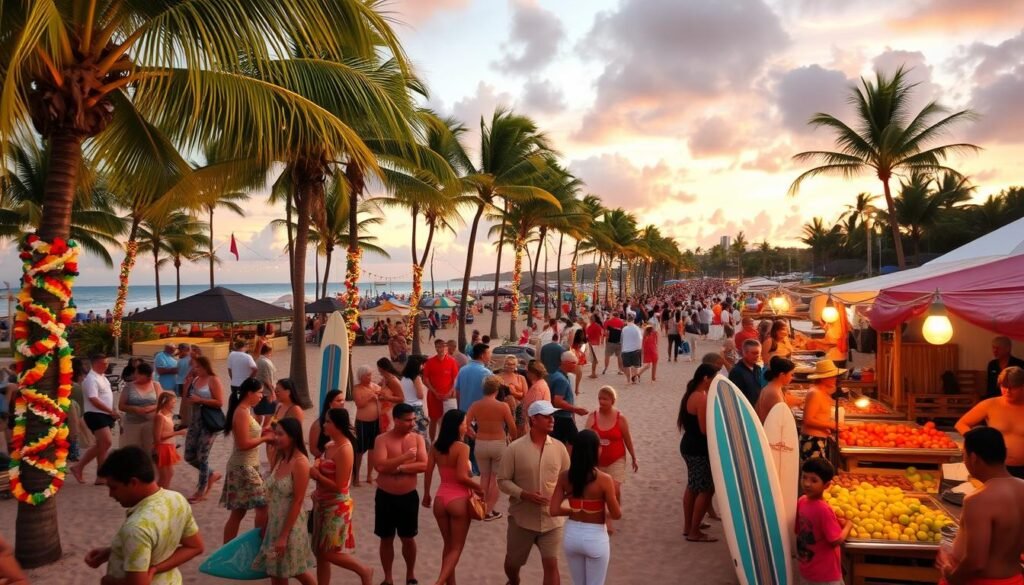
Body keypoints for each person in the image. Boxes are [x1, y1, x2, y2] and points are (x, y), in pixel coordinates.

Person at [84, 447, 204, 585]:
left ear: (133, 482)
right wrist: (114, 551)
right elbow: (195, 547)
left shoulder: (136, 528)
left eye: (113, 487)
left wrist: (108, 581)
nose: (111, 495)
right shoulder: (176, 499)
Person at [938, 427, 1024, 585]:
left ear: (973, 458)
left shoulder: (978, 500)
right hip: (1015, 579)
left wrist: (950, 575)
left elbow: (976, 562)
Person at [498, 400, 571, 585]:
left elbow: (567, 481)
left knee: (551, 565)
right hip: (522, 520)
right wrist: (524, 494)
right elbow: (502, 480)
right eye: (546, 416)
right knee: (513, 564)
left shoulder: (559, 448)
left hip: (552, 521)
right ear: (534, 420)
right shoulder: (514, 449)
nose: (552, 420)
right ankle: (513, 581)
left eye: (552, 416)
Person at [549, 430, 622, 585]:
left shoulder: (565, 476)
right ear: (595, 450)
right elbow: (616, 514)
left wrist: (574, 509)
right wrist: (605, 509)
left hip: (572, 536)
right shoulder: (604, 479)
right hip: (595, 537)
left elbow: (553, 510)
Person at [311, 408, 374, 585]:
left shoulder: (345, 449)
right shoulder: (330, 446)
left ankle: (364, 570)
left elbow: (340, 486)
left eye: (328, 422)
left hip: (336, 507)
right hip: (321, 504)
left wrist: (317, 475)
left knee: (328, 552)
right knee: (320, 552)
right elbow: (321, 464)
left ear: (337, 426)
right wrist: (317, 465)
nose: (324, 424)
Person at [422, 409, 485, 585]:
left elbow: (428, 472)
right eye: (464, 424)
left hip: (441, 498)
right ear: (457, 426)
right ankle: (439, 582)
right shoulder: (462, 448)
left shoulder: (435, 446)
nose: (466, 427)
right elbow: (462, 477)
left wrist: (427, 494)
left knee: (448, 547)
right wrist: (479, 488)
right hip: (459, 499)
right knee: (456, 548)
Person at [252, 418, 315, 584]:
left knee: (297, 570)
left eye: (281, 434)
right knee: (276, 572)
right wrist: (266, 524)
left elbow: (298, 500)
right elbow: (272, 496)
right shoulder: (281, 457)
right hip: (275, 522)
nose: (276, 437)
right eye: (275, 433)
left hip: (290, 525)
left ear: (293, 437)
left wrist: (284, 535)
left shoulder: (300, 463)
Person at [372, 403, 428, 585]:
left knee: (408, 538)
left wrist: (399, 467)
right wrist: (403, 459)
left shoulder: (417, 439)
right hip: (385, 496)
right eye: (407, 420)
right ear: (396, 420)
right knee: (386, 538)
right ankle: (388, 577)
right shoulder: (382, 439)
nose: (412, 423)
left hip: (408, 496)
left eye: (413, 419)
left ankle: (410, 574)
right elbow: (379, 466)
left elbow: (424, 465)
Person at [221, 378, 273, 543]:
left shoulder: (246, 410)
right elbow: (243, 444)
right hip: (243, 467)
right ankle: (258, 544)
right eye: (259, 393)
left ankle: (226, 550)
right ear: (249, 393)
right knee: (263, 506)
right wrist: (265, 438)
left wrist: (263, 432)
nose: (261, 396)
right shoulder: (242, 411)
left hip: (247, 465)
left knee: (238, 512)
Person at [584, 386, 637, 534]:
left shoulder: (620, 418)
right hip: (597, 460)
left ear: (613, 400)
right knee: (601, 490)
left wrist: (633, 457)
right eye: (600, 398)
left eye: (605, 399)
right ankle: (607, 519)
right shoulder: (592, 416)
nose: (601, 401)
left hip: (616, 458)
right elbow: (586, 438)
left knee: (615, 488)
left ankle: (613, 509)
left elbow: (627, 439)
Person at [956, 366, 1024, 479]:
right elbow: (961, 424)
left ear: (1022, 386)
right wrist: (976, 441)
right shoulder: (990, 404)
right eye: (1004, 386)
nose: (1007, 391)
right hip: (996, 468)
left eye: (1012, 387)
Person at [466, 375, 517, 521]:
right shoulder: (502, 406)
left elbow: (465, 424)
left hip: (481, 442)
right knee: (495, 479)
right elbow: (512, 427)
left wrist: (473, 434)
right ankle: (488, 511)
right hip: (498, 442)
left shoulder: (476, 405)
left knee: (484, 477)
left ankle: (481, 507)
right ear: (496, 389)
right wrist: (513, 438)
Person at [677, 364, 718, 543]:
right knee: (706, 489)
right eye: (713, 378)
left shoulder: (691, 393)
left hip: (689, 445)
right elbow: (704, 429)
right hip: (698, 448)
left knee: (693, 485)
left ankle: (689, 526)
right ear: (706, 378)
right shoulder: (701, 398)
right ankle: (694, 531)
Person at [796, 458, 851, 585]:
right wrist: (848, 526)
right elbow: (835, 540)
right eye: (804, 477)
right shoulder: (824, 510)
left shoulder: (801, 501)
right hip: (826, 575)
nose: (807, 483)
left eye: (813, 480)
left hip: (806, 568)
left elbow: (800, 529)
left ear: (826, 485)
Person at [71, 354, 119, 485]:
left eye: (107, 363)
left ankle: (101, 475)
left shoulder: (102, 377)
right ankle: (79, 466)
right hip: (95, 414)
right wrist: (110, 411)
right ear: (96, 364)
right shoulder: (91, 379)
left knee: (102, 445)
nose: (106, 366)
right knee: (106, 442)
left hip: (105, 414)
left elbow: (107, 395)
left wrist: (112, 410)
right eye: (104, 364)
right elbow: (93, 399)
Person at [182, 356, 224, 503]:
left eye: (198, 367)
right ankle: (211, 474)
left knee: (202, 457)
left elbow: (219, 402)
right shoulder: (194, 380)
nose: (195, 369)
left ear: (206, 366)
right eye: (194, 367)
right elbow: (187, 399)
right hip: (195, 422)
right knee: (189, 456)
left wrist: (201, 400)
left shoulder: (213, 379)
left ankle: (201, 489)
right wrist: (186, 386)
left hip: (208, 423)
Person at [800, 360, 846, 462]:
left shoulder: (823, 391)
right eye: (832, 376)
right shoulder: (815, 393)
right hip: (813, 440)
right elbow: (808, 420)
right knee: (814, 473)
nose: (835, 379)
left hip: (819, 438)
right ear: (824, 378)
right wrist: (831, 425)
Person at [118, 362, 161, 455]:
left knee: (149, 451)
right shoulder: (129, 386)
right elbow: (121, 405)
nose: (135, 375)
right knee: (131, 452)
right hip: (132, 423)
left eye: (138, 373)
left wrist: (151, 408)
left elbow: (161, 402)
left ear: (146, 375)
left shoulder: (156, 385)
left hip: (150, 424)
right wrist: (134, 409)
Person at [423, 338, 460, 441]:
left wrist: (450, 392)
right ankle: (432, 442)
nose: (441, 349)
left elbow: (455, 378)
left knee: (448, 420)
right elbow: (425, 379)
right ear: (436, 348)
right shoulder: (430, 362)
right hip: (433, 396)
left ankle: (445, 441)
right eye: (439, 346)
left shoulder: (452, 361)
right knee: (433, 420)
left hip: (448, 397)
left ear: (446, 347)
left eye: (443, 346)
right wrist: (434, 391)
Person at [550, 352, 589, 448]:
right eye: (574, 363)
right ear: (566, 363)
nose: (576, 366)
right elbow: (558, 402)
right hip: (562, 417)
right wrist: (576, 410)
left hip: (559, 417)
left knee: (560, 443)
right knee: (576, 444)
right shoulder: (561, 380)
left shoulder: (557, 375)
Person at [353, 365, 384, 486]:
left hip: (375, 422)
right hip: (362, 422)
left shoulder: (375, 386)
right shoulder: (357, 389)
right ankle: (356, 476)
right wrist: (370, 396)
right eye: (367, 375)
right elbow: (359, 404)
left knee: (372, 449)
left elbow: (384, 395)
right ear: (361, 377)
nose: (370, 377)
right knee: (360, 450)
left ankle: (369, 475)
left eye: (370, 375)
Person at [152, 391, 186, 489]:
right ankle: (157, 496)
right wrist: (177, 433)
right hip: (162, 448)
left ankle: (162, 495)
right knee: (164, 476)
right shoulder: (160, 416)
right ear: (165, 403)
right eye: (172, 403)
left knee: (169, 474)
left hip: (168, 446)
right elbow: (158, 437)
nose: (174, 405)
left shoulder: (168, 415)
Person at [755, 356, 800, 423]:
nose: (792, 378)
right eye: (791, 375)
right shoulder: (773, 392)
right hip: (769, 431)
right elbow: (781, 418)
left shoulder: (774, 388)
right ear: (782, 375)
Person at [399, 355, 430, 440]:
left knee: (409, 434)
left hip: (406, 406)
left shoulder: (404, 378)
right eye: (421, 364)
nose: (422, 366)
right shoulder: (416, 378)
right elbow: (420, 395)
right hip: (417, 408)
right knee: (421, 434)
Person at [310, 389, 346, 459]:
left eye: (343, 400)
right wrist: (327, 454)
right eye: (338, 401)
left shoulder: (344, 421)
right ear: (330, 404)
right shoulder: (318, 425)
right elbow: (313, 450)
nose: (342, 403)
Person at [497, 355, 528, 435]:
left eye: (513, 364)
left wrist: (513, 392)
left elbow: (525, 395)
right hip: (504, 409)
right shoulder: (499, 377)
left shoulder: (521, 378)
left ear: (516, 365)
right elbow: (497, 395)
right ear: (504, 364)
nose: (510, 366)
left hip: (520, 409)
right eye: (508, 364)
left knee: (520, 431)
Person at [728, 339, 764, 406]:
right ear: (744, 353)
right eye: (754, 353)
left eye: (758, 353)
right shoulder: (736, 372)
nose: (757, 356)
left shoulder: (758, 369)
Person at [523, 360, 552, 435]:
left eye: (528, 372)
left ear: (533, 373)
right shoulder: (541, 384)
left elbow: (536, 409)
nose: (527, 374)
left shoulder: (537, 388)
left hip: (535, 424)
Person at [377, 358, 406, 432]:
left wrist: (387, 397)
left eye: (379, 368)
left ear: (382, 368)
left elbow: (402, 398)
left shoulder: (392, 381)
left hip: (390, 412)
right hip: (384, 411)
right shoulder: (385, 378)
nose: (378, 370)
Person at [254, 344, 278, 422]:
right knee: (269, 413)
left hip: (261, 390)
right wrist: (273, 392)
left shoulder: (258, 360)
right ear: (269, 351)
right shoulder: (265, 362)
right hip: (266, 392)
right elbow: (267, 379)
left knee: (259, 413)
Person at [620, 315, 643, 385]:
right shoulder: (637, 328)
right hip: (635, 349)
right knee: (635, 366)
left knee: (627, 366)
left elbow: (621, 340)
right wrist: (640, 348)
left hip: (625, 350)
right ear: (633, 321)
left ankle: (628, 380)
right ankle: (634, 379)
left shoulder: (624, 329)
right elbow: (640, 339)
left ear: (627, 321)